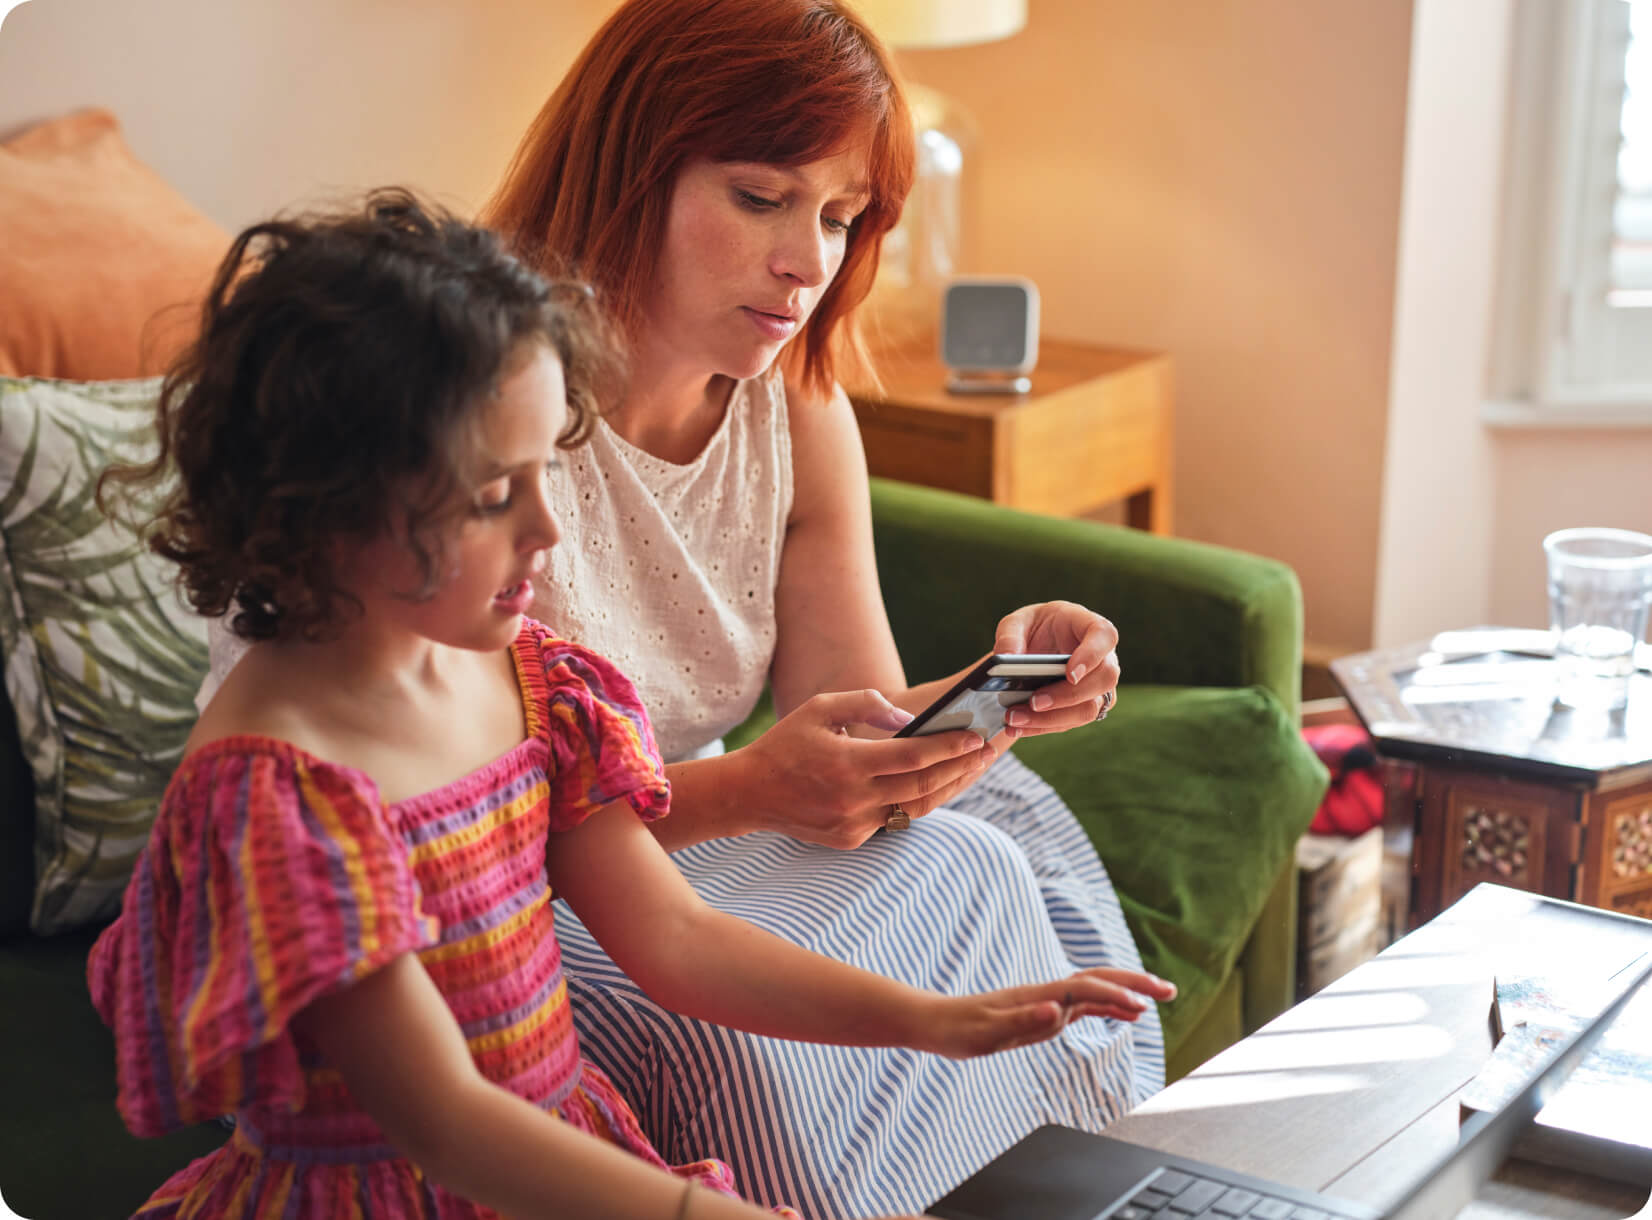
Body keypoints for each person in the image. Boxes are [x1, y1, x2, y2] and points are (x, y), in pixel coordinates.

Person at [96, 190, 1170, 1220]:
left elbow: (678, 936)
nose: (544, 530)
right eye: (492, 495)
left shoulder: (525, 675)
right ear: (325, 502)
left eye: (540, 472)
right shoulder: (278, 789)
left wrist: (935, 1021)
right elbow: (448, 1124)